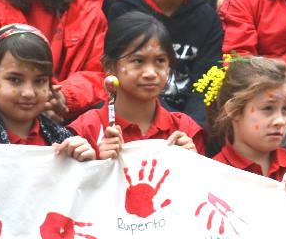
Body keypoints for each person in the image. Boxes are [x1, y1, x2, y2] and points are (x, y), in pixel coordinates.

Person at [106, 0, 222, 127]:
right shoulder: (124, 10)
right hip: (132, 120)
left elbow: (204, 88)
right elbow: (114, 75)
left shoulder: (208, 18)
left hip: (189, 129)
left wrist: (189, 130)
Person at [69, 13, 205, 156]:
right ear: (109, 66)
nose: (151, 73)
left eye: (160, 61)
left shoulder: (185, 130)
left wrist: (193, 162)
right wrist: (98, 164)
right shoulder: (86, 130)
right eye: (138, 61)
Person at [0, 23, 95, 159]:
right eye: (15, 80)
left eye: (39, 81)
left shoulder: (64, 144)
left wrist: (86, 166)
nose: (28, 93)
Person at [201, 56, 286, 202]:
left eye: (285, 109)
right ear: (234, 110)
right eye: (268, 108)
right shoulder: (213, 172)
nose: (280, 121)